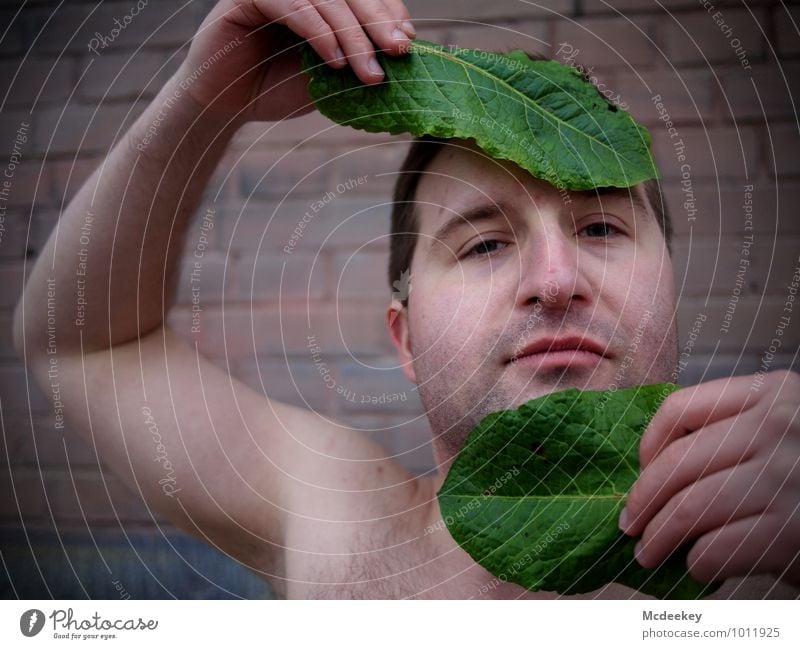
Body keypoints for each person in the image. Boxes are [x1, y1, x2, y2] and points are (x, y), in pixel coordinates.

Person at [12, 0, 799, 599]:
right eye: (484, 243)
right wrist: (203, 100)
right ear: (405, 337)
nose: (555, 281)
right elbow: (84, 342)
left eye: (599, 226)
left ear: (672, 289)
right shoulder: (346, 517)